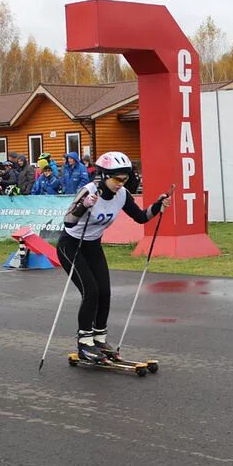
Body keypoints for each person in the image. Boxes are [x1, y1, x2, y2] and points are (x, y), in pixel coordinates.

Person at [57, 151, 171, 364]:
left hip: (92, 246)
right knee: (90, 291)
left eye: (125, 178)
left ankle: (99, 339)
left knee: (105, 292)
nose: (121, 183)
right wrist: (84, 206)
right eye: (117, 179)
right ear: (102, 176)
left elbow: (140, 217)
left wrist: (158, 206)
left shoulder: (122, 195)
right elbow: (69, 222)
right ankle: (84, 343)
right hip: (71, 245)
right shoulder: (88, 191)